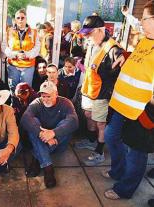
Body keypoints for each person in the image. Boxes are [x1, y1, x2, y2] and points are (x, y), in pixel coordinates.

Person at [102, 0, 154, 200]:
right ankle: (117, 170)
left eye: (145, 18)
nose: (140, 22)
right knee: (111, 137)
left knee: (136, 154)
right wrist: (127, 55)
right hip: (121, 105)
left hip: (141, 113)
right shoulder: (146, 39)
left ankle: (125, 189)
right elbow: (143, 59)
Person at [75, 15, 123, 166]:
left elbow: (121, 57)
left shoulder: (112, 48)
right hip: (89, 89)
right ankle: (90, 140)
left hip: (102, 93)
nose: (87, 36)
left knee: (100, 123)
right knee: (88, 115)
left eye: (89, 33)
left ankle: (99, 152)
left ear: (99, 30)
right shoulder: (91, 43)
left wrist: (122, 57)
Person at [21, 81, 78, 188]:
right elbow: (25, 118)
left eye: (49, 96)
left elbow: (74, 121)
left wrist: (54, 133)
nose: (46, 99)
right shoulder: (37, 103)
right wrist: (41, 133)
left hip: (58, 143)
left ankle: (37, 158)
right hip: (44, 139)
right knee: (34, 125)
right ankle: (48, 169)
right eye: (43, 96)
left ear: (56, 94)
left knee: (65, 124)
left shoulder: (65, 103)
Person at [4, 8, 40, 92]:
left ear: (26, 19)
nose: (20, 20)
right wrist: (15, 54)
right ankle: (14, 105)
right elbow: (4, 46)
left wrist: (27, 54)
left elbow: (37, 47)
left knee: (26, 90)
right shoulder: (9, 31)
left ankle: (26, 105)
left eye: (22, 18)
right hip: (13, 65)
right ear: (15, 19)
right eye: (18, 18)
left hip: (28, 66)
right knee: (13, 89)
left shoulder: (34, 32)